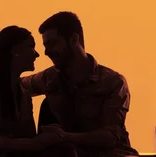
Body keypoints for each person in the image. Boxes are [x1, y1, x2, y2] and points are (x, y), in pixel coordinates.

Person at [21, 12, 140, 157]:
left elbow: (109, 137)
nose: (46, 52)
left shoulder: (114, 82)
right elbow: (14, 84)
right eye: (45, 46)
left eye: (52, 44)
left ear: (74, 39)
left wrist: (64, 137)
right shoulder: (50, 78)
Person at [0, 26, 74, 157]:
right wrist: (35, 143)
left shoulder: (23, 92)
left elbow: (29, 138)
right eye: (31, 47)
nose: (37, 54)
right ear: (15, 51)